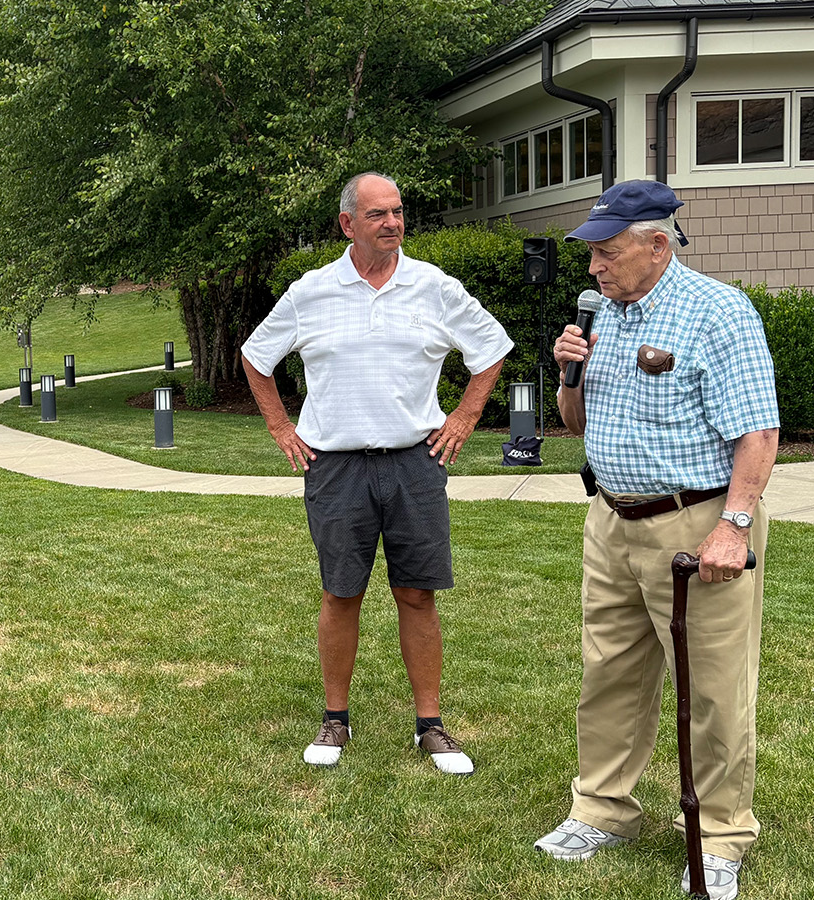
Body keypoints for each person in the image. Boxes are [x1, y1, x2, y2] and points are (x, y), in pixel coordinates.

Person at [536, 181, 778, 900]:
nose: (593, 268)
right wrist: (567, 372)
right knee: (607, 671)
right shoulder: (601, 316)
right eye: (591, 254)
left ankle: (720, 838)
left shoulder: (718, 313)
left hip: (696, 525)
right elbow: (575, 423)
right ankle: (603, 812)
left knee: (712, 689)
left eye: (607, 253)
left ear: (656, 246)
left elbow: (758, 432)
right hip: (612, 520)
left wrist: (734, 526)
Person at [240, 172, 512, 776]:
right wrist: (283, 429)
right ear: (347, 225)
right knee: (341, 593)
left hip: (416, 464)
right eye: (378, 214)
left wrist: (466, 416)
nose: (393, 222)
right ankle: (335, 719)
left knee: (417, 594)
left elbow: (491, 349)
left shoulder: (434, 287)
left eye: (398, 211)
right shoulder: (311, 292)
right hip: (334, 468)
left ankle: (431, 726)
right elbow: (256, 359)